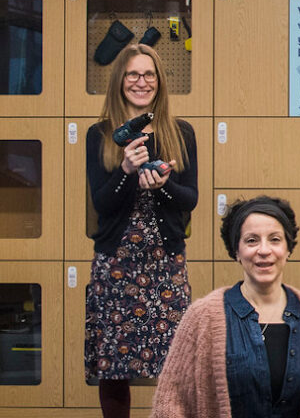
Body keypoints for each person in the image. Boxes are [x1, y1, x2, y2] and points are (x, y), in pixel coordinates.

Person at [152, 196, 300, 418]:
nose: (264, 250)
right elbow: (171, 404)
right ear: (236, 251)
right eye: (251, 241)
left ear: (288, 248)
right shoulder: (202, 317)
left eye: (275, 239)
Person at [84, 43, 199, 418]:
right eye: (133, 74)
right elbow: (102, 204)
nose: (141, 82)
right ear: (120, 81)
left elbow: (190, 198)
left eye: (149, 74)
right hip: (116, 264)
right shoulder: (99, 134)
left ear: (160, 82)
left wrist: (160, 184)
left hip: (164, 262)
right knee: (114, 368)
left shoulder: (180, 132)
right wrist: (125, 172)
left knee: (176, 364)